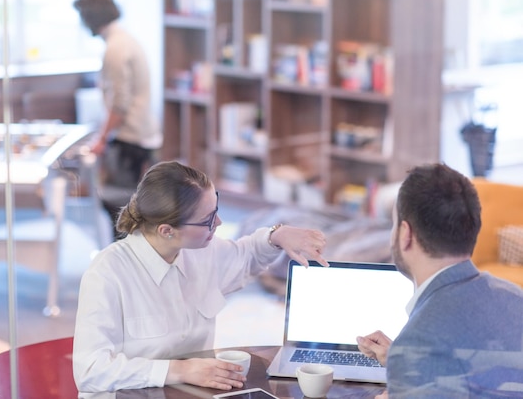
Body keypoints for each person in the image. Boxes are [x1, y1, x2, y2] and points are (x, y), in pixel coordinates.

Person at [73, 160, 328, 395]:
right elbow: (90, 370)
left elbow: (246, 255)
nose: (218, 222)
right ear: (167, 230)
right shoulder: (108, 273)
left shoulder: (201, 252)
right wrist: (179, 370)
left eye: (215, 209)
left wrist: (277, 236)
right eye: (207, 220)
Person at [356, 163, 523, 398]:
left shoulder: (418, 343)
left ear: (406, 234)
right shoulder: (516, 297)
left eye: (393, 225)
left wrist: (409, 369)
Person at [73, 0, 162, 238]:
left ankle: (121, 268)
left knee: (119, 209)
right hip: (144, 133)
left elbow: (119, 105)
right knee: (131, 206)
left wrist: (101, 139)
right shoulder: (127, 40)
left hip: (129, 138)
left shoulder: (115, 49)